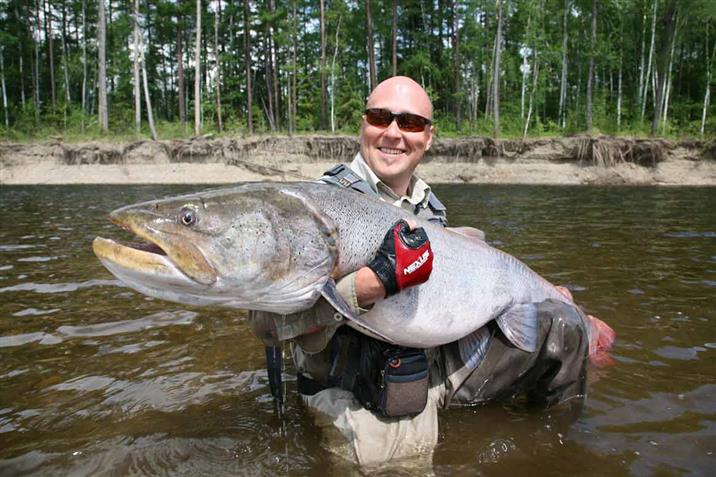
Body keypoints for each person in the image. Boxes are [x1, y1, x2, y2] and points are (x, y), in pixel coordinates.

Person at [248, 76, 601, 468]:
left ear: (428, 138)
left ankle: (556, 455)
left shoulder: (429, 208)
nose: (394, 133)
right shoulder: (311, 208)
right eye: (380, 117)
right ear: (363, 125)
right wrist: (360, 291)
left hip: (431, 366)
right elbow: (265, 324)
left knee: (564, 327)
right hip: (357, 389)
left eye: (410, 123)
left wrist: (559, 299)